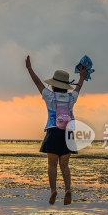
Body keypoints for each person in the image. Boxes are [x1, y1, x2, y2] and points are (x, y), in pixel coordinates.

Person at [26, 56, 88, 205]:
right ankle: (68, 189)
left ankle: (53, 190)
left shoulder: (49, 96)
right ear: (66, 87)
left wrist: (29, 68)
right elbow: (78, 88)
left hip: (53, 132)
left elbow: (37, 83)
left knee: (52, 164)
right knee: (65, 165)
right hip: (67, 134)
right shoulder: (71, 98)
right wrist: (81, 77)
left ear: (53, 85)